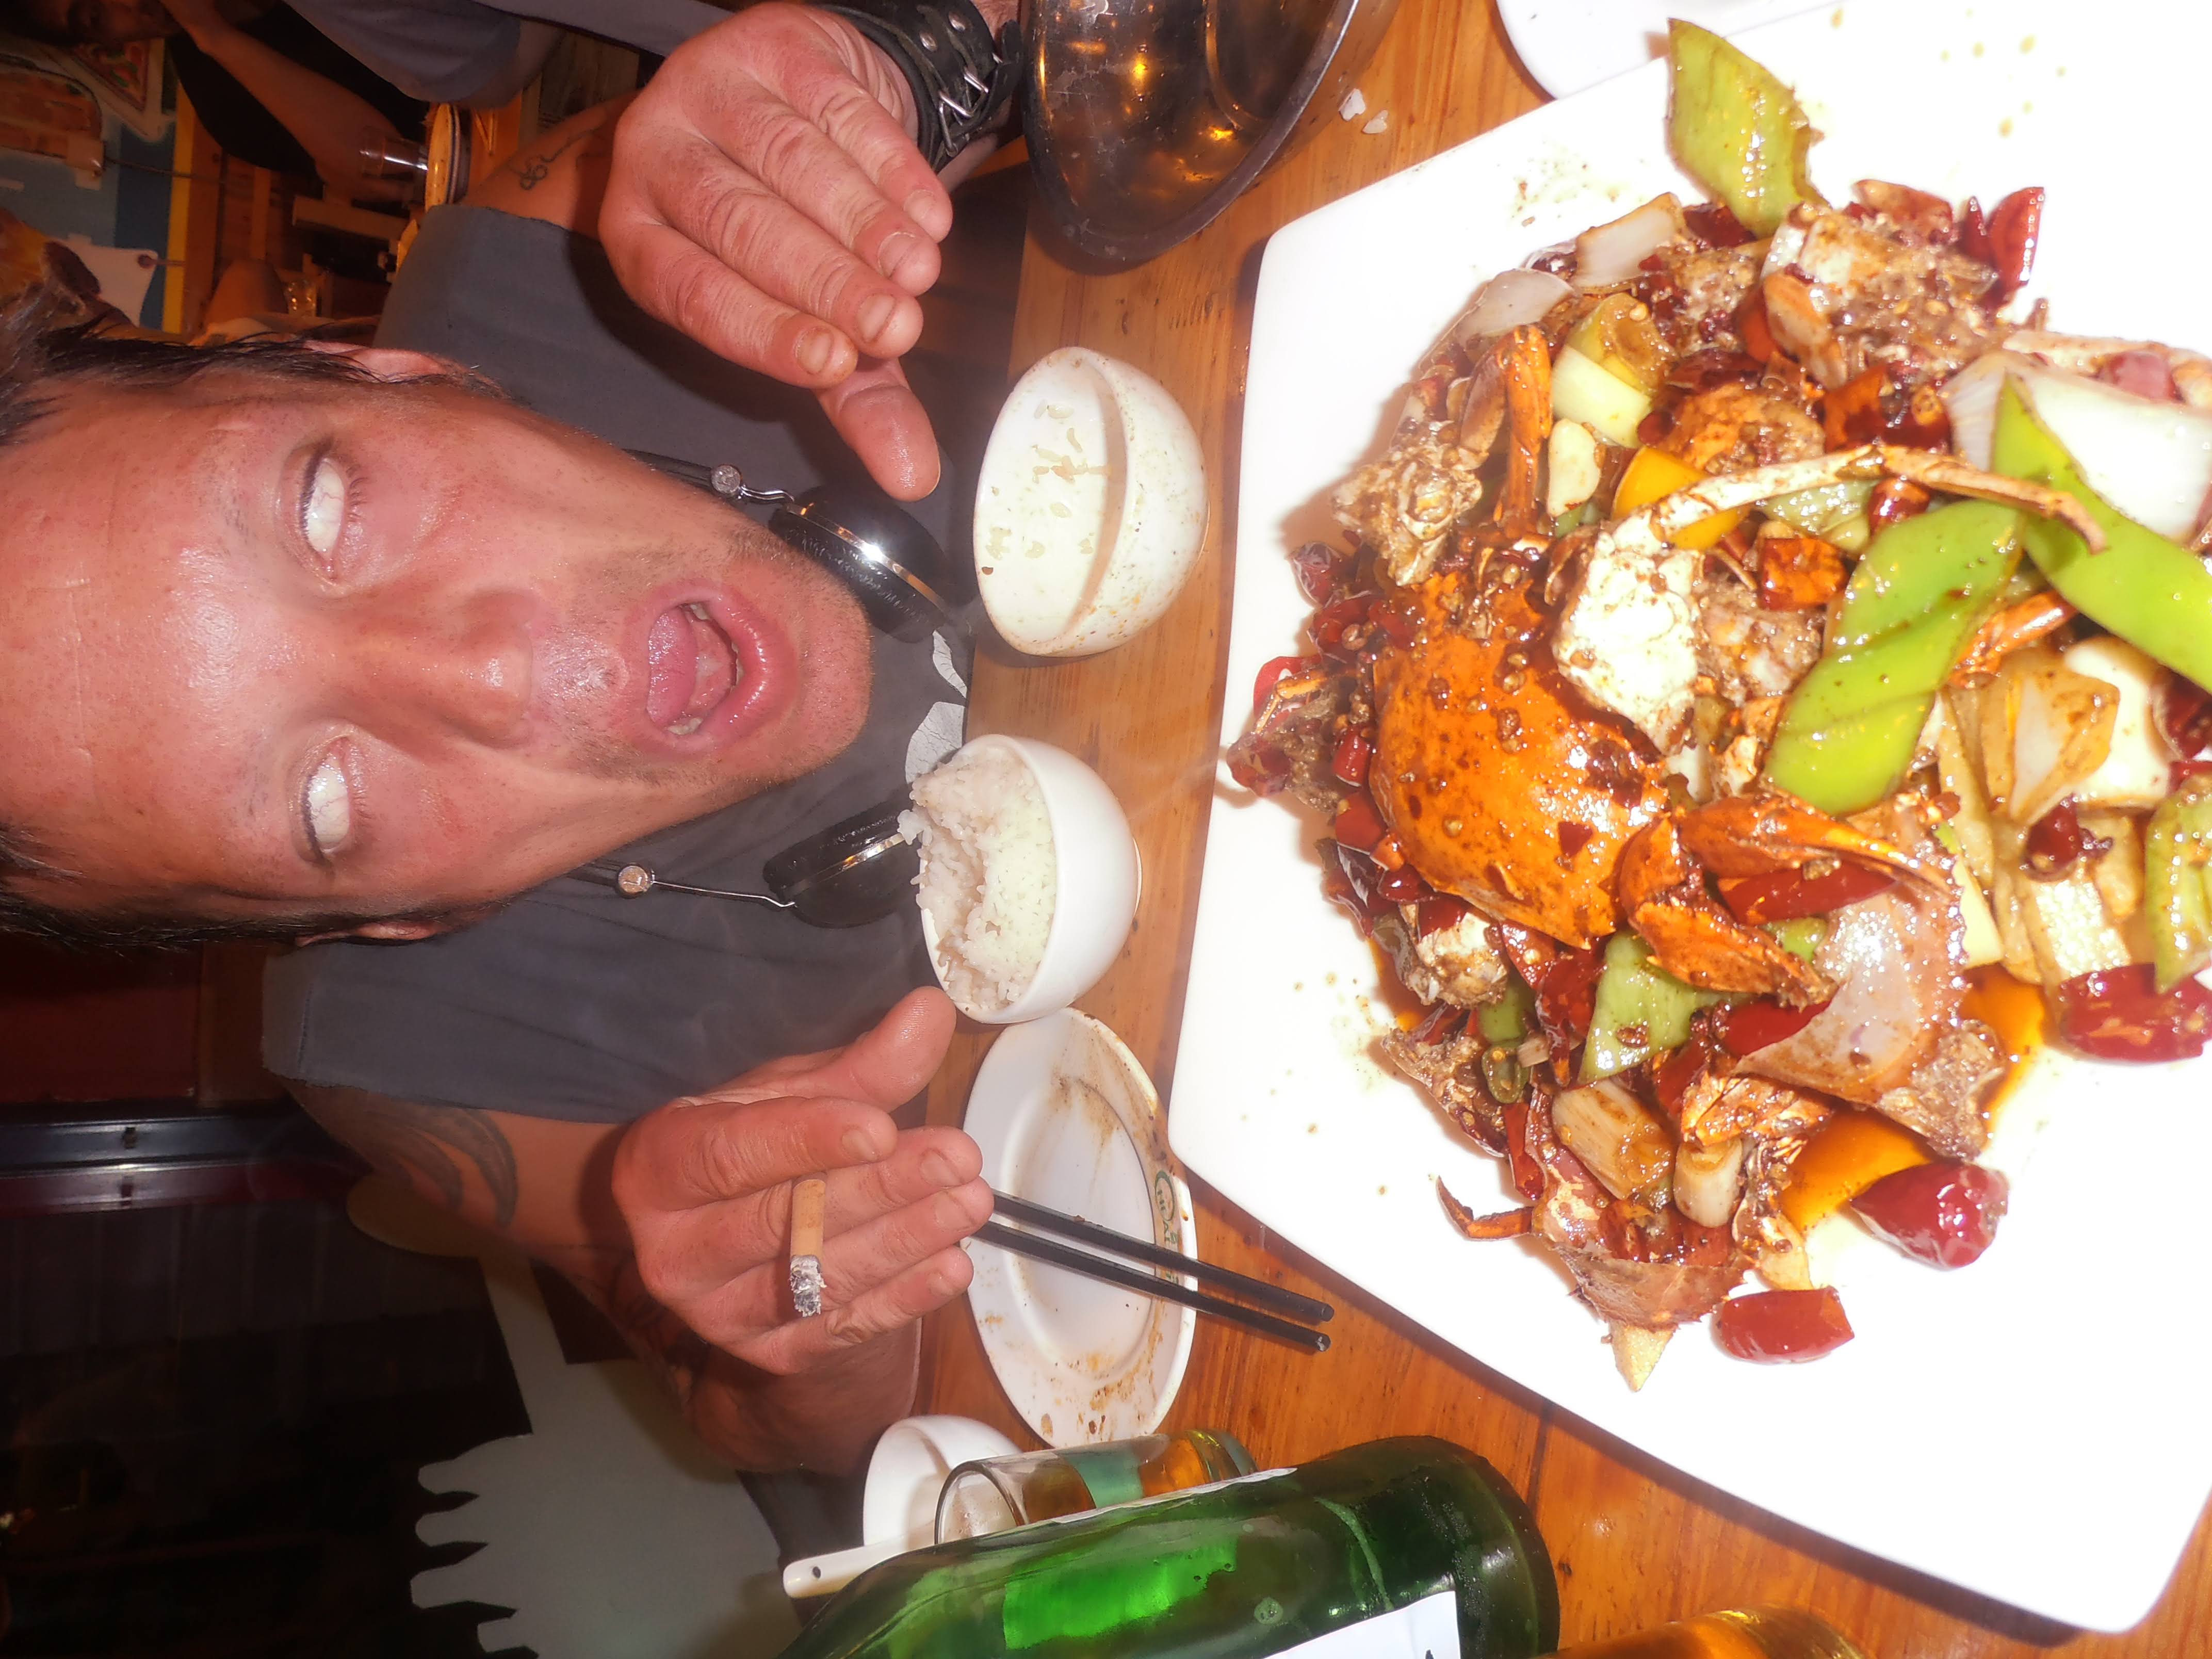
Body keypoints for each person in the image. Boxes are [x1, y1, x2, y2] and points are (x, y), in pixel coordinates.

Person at [0, 1, 1022, 1476]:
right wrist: (806, 1315)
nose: (481, 671)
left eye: (325, 507)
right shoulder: (414, 1062)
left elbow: (1060, 65)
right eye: (326, 803)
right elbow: (779, 1425)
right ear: (392, 920)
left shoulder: (558, 244)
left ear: (374, 370)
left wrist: (904, 56)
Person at [3, 0, 431, 205]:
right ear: (107, 45)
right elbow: (393, 171)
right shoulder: (225, 107)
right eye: (97, 16)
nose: (130, 4)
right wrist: (216, 37)